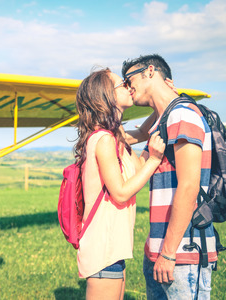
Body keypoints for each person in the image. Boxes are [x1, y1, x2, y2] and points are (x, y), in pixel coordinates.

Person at [121, 54, 217, 299]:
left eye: (128, 79)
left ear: (150, 71)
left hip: (181, 253)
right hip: (158, 249)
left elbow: (189, 187)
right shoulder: (162, 122)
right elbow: (138, 167)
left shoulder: (183, 115)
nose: (127, 86)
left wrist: (168, 252)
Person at [74, 68, 166, 300]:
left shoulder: (115, 136)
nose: (128, 86)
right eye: (122, 84)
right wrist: (155, 159)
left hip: (113, 247)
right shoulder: (105, 140)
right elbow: (121, 192)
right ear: (106, 95)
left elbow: (138, 163)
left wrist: (163, 101)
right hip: (104, 248)